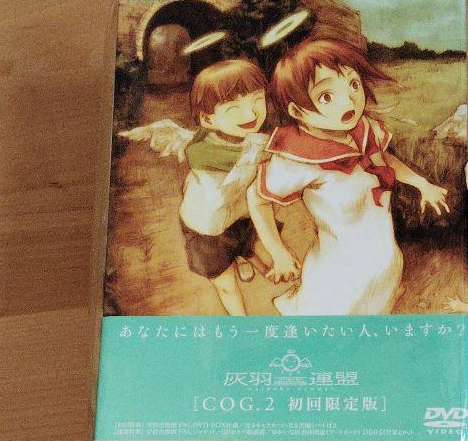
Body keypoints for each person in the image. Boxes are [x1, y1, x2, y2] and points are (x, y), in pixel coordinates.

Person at [248, 37, 449, 315]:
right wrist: (278, 253)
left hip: (383, 256)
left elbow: (381, 160)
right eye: (327, 96)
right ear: (297, 111)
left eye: (353, 84)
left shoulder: (362, 130)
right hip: (338, 272)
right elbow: (256, 198)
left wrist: (421, 183)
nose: (349, 101)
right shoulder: (298, 160)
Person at [125, 59, 271, 315]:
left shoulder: (237, 137)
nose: (251, 114)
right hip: (206, 227)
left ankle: (242, 259)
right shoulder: (204, 152)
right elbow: (247, 162)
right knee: (226, 286)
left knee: (244, 243)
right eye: (234, 108)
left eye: (257, 100)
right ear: (208, 119)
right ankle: (244, 325)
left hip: (236, 214)